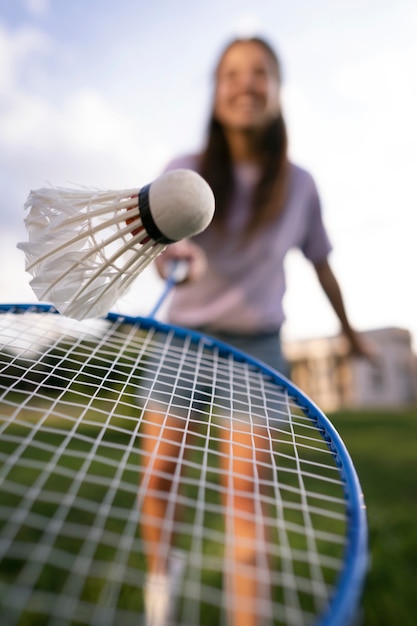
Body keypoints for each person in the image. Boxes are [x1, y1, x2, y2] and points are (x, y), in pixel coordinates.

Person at [140, 36, 372, 626]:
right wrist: (171, 262)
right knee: (160, 475)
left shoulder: (300, 186)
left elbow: (322, 264)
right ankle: (160, 586)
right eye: (232, 74)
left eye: (259, 73)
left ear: (275, 89)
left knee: (245, 498)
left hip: (258, 347)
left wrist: (349, 332)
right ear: (217, 95)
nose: (246, 83)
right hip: (182, 340)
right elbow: (160, 252)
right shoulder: (182, 170)